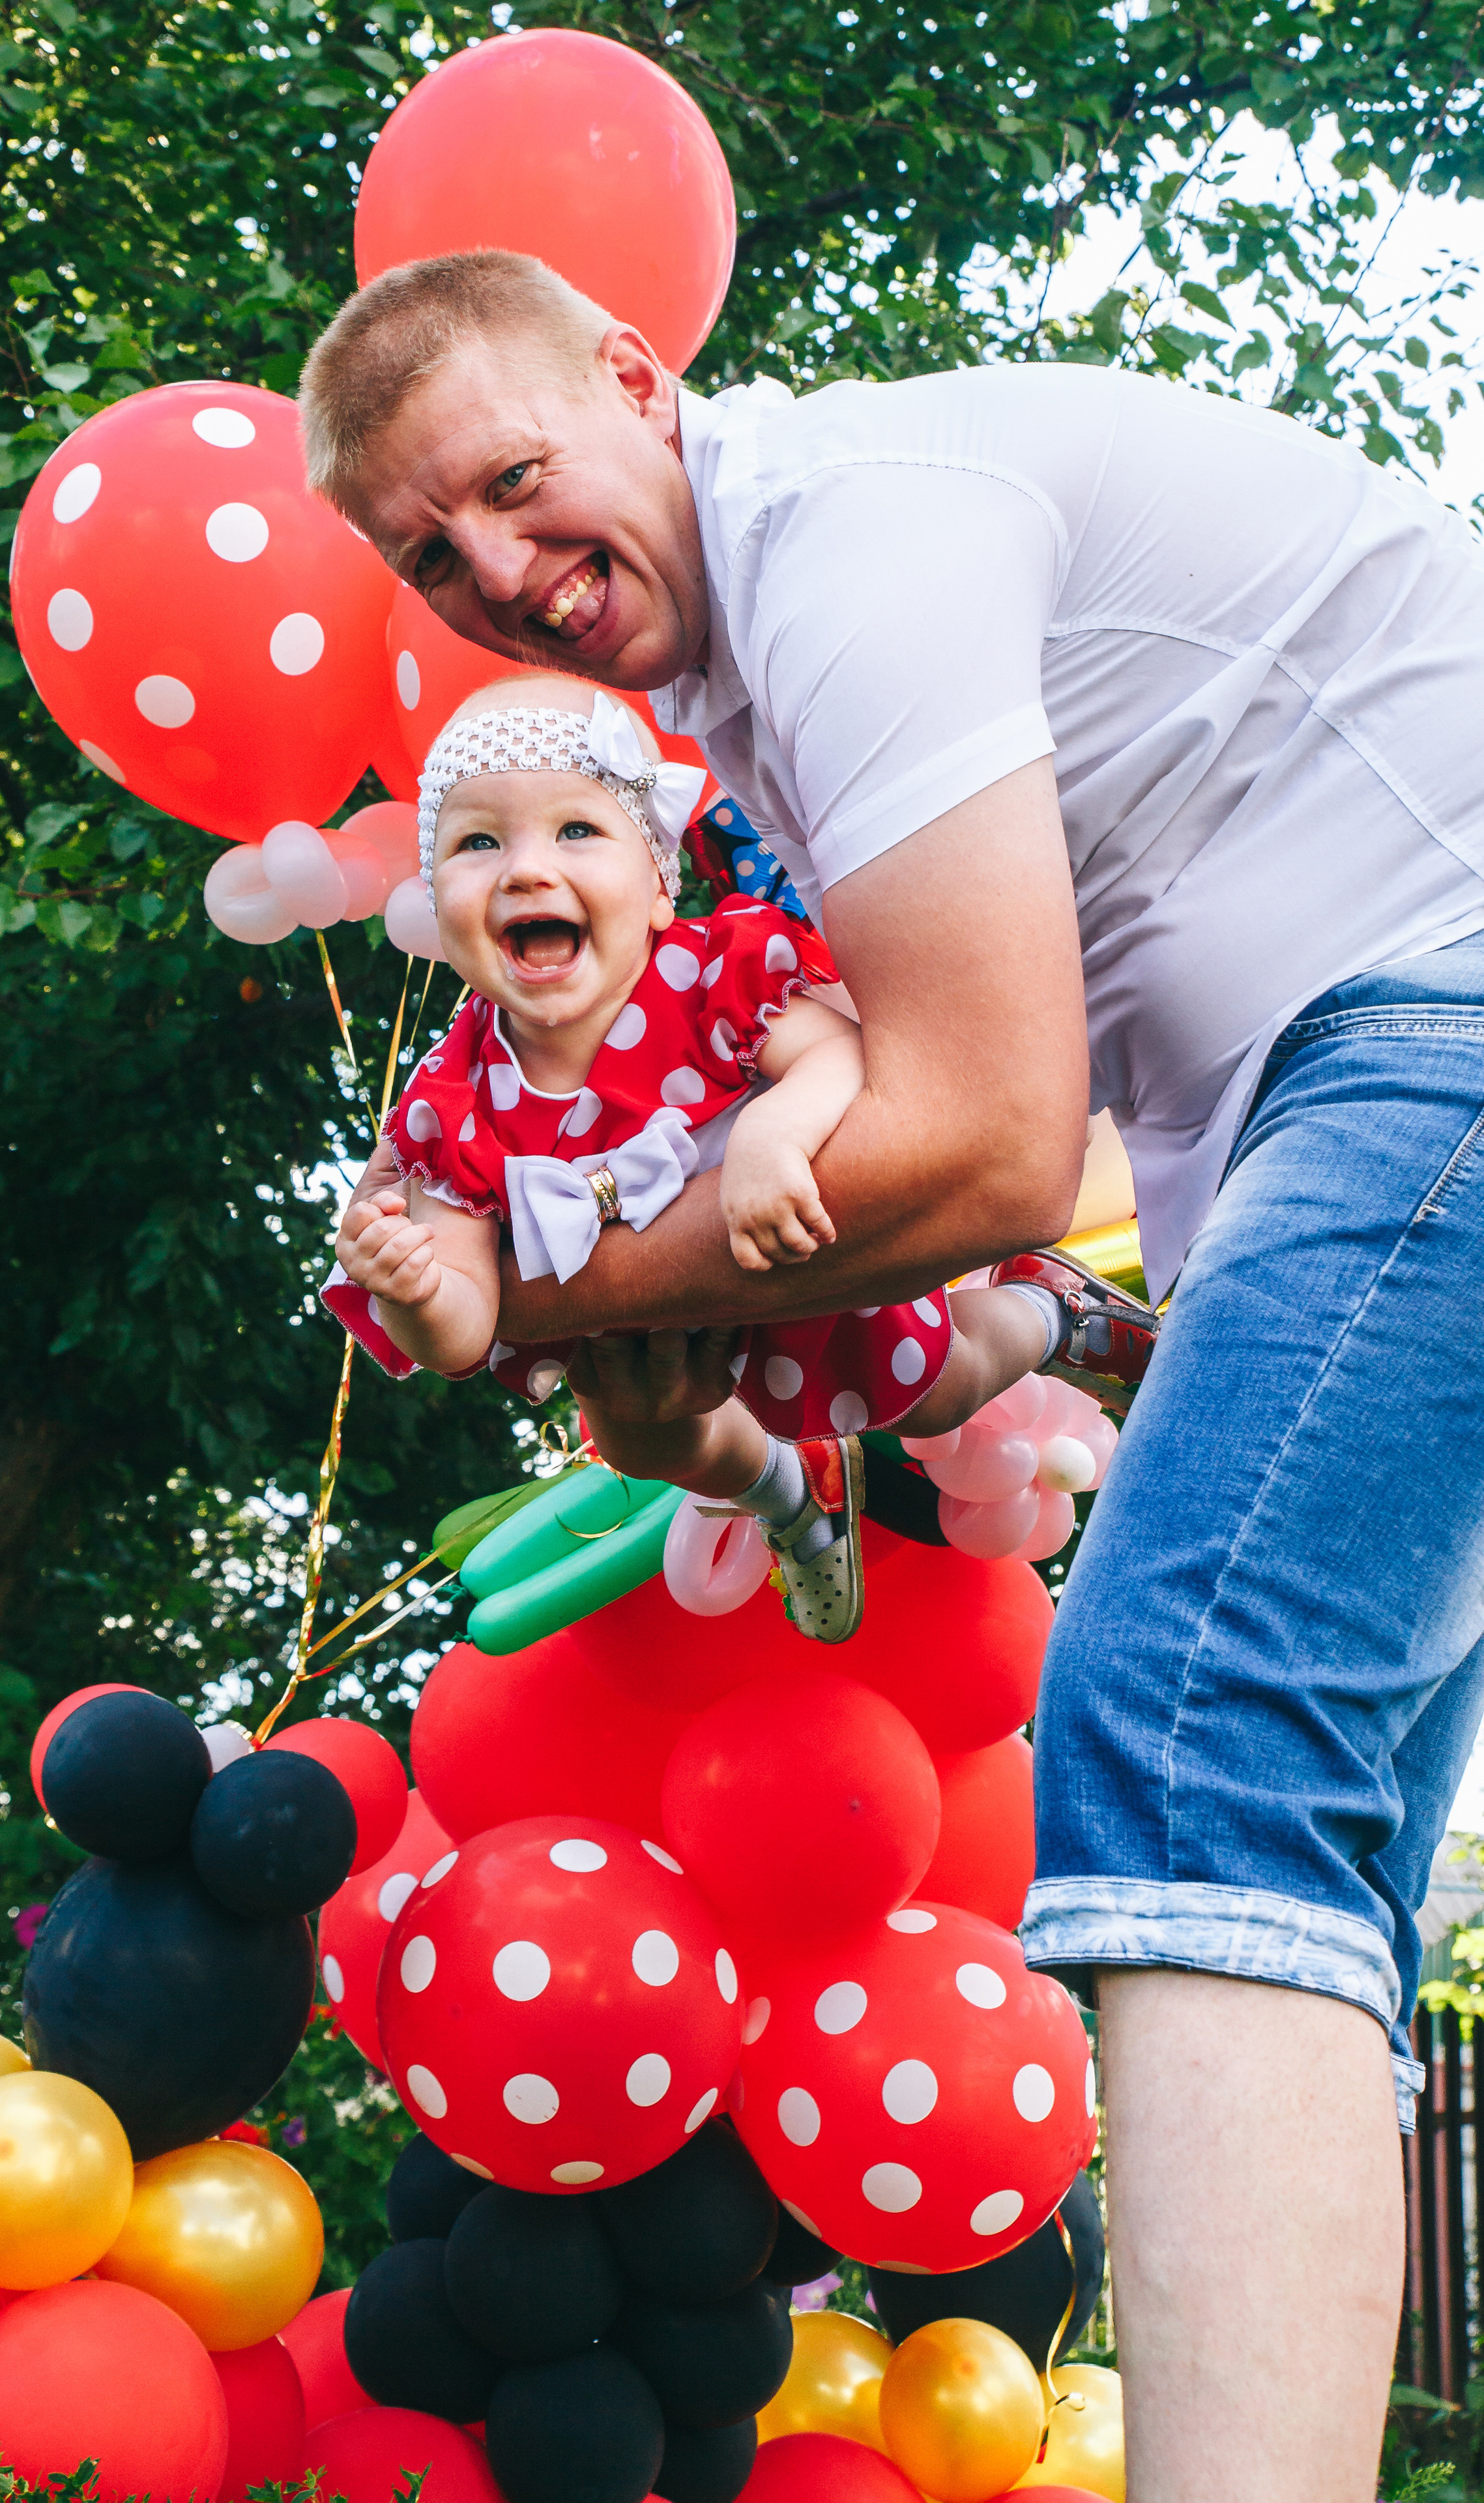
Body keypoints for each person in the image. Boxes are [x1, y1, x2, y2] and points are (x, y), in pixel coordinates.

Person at [300, 249, 1484, 2500]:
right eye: (433, 558)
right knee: (1300, 1854)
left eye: (521, 486)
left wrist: (519, 1301)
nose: (504, 577)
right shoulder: (747, 734)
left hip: (1443, 1023)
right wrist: (716, 1408)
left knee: (1193, 1728)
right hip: (1357, 1108)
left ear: (643, 383)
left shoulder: (851, 538)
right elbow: (926, 1224)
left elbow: (977, 1138)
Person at [326, 668, 1156, 1640]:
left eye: (576, 830)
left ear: (658, 879)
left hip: (802, 1245)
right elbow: (467, 1327)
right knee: (638, 1438)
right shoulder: (449, 1100)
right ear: (439, 904)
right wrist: (414, 1290)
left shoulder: (710, 971)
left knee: (937, 1391)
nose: (525, 869)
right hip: (650, 1338)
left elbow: (841, 1053)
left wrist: (772, 1132)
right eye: (478, 843)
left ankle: (1043, 1311)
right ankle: (785, 1493)